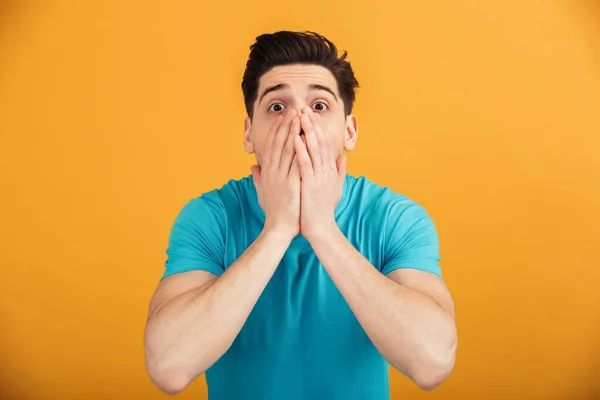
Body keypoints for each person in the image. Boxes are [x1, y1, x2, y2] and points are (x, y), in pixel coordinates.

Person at [144, 30, 457, 400]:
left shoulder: (394, 217)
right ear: (249, 134)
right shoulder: (210, 217)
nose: (299, 123)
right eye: (277, 107)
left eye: (320, 106)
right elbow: (167, 367)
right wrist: (276, 229)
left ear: (349, 131)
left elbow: (433, 363)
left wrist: (322, 229)